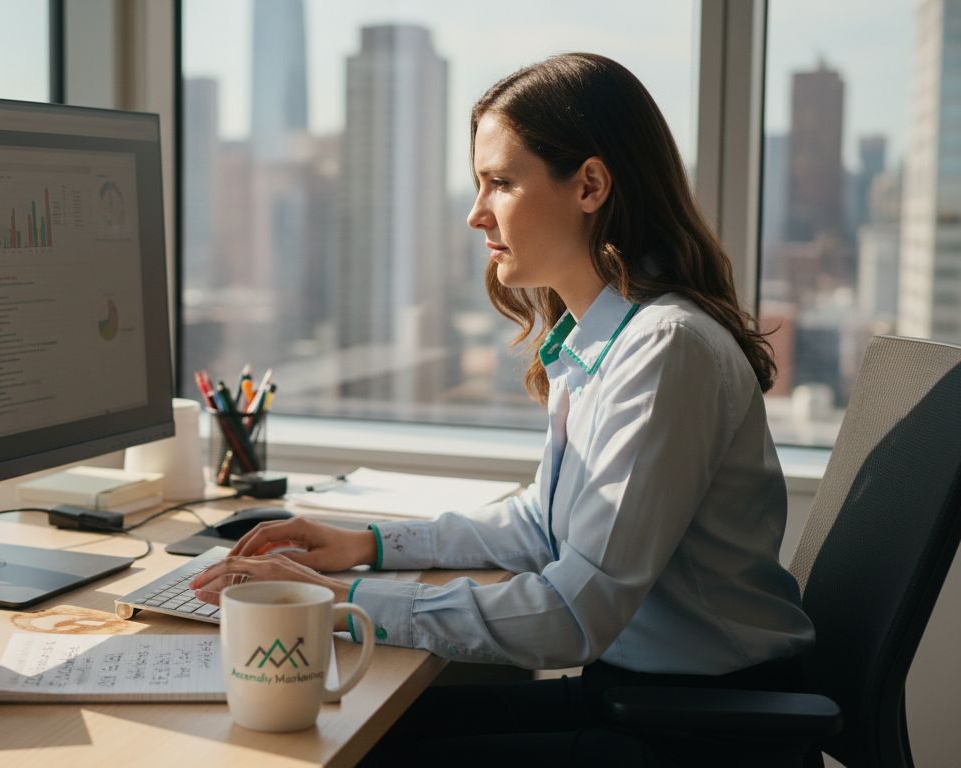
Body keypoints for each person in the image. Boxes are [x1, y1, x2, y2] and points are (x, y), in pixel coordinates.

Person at [190, 52, 815, 762]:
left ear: (589, 186)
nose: (475, 212)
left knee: (354, 747)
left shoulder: (667, 350)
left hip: (703, 731)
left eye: (500, 182)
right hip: (640, 697)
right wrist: (365, 544)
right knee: (362, 732)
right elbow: (540, 522)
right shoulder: (599, 340)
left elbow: (575, 611)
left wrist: (339, 601)